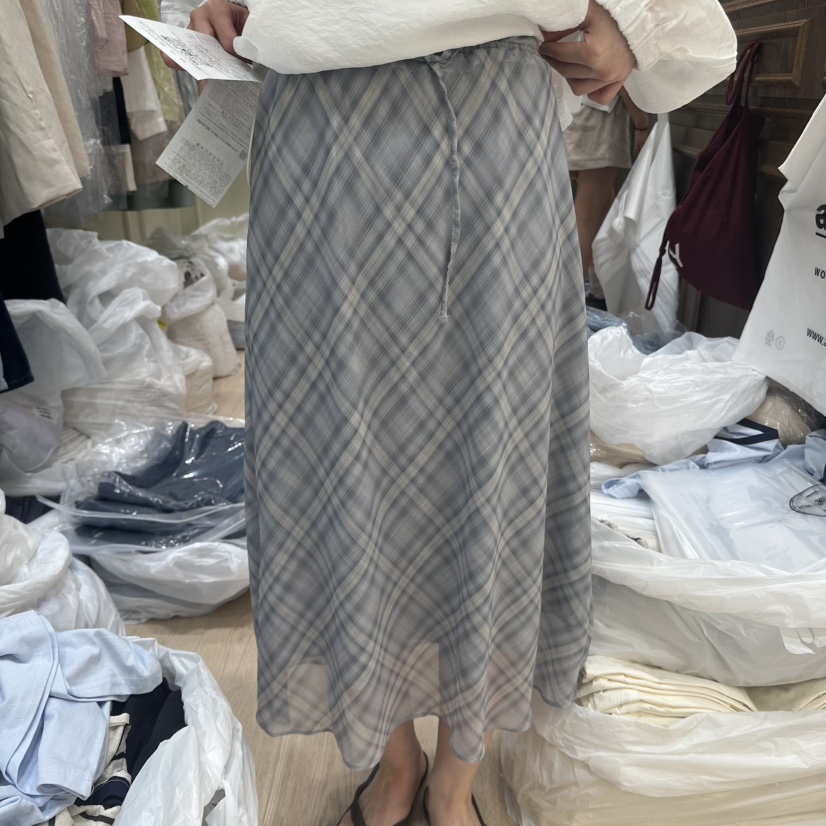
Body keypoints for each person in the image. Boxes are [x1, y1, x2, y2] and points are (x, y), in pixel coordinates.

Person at [161, 2, 736, 824]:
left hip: (492, 102)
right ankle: (395, 756)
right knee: (332, 445)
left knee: (496, 443)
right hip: (313, 110)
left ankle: (455, 779)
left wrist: (632, 21)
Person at [565, 87, 652, 308]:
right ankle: (567, 304)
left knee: (601, 210)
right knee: (588, 216)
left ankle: (598, 291)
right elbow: (625, 81)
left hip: (580, 111)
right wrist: (641, 123)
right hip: (600, 118)